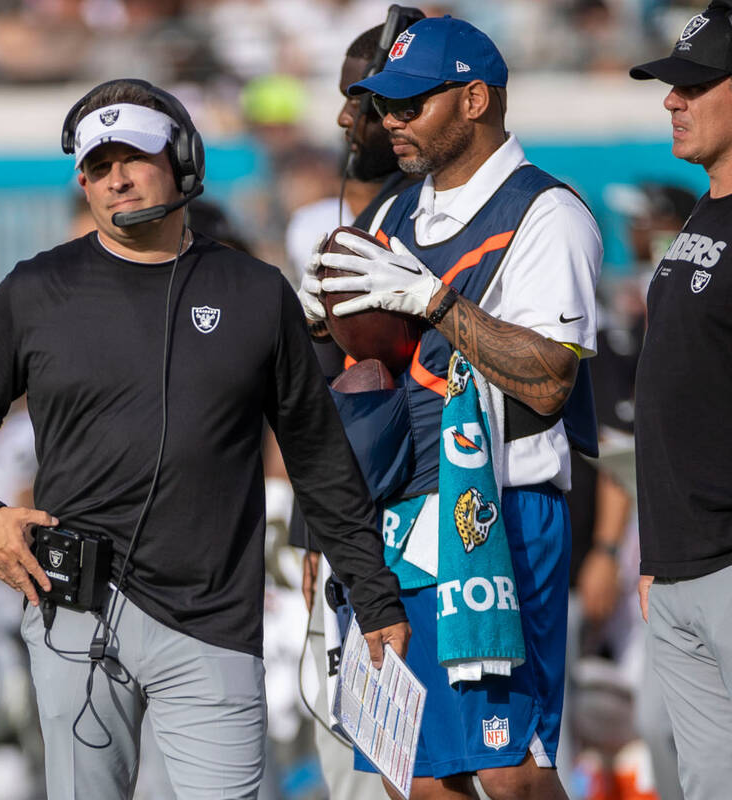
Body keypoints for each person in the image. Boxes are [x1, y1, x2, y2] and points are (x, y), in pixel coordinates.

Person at [0, 77, 409, 800]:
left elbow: (316, 452)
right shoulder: (36, 289)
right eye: (96, 166)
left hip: (213, 619)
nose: (115, 179)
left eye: (133, 158)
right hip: (75, 612)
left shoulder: (254, 291)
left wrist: (375, 599)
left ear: (182, 160)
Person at [301, 16, 602, 799]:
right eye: (386, 107)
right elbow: (362, 371)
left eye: (411, 104)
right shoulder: (389, 213)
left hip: (496, 513)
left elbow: (547, 378)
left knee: (509, 769)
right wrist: (317, 321)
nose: (391, 122)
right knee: (419, 776)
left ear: (475, 99)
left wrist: (433, 301)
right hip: (397, 511)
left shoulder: (547, 213)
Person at [290, 22, 422, 800]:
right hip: (351, 530)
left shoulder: (443, 223)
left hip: (420, 529)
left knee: (397, 770)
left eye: (360, 102)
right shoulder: (369, 224)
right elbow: (323, 400)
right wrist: (314, 527)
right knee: (351, 764)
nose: (346, 121)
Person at [628, 4, 732, 798]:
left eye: (695, 85)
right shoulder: (706, 213)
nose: (674, 100)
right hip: (678, 566)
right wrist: (658, 555)